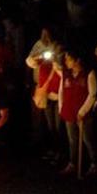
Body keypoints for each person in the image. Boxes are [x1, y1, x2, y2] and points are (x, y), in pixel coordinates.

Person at [58, 51, 97, 177]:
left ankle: (94, 163)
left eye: (69, 59)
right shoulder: (66, 73)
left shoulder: (88, 73)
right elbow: (61, 91)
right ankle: (73, 163)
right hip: (69, 110)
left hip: (83, 112)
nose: (66, 62)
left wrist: (83, 111)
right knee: (72, 139)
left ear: (77, 60)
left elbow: (92, 94)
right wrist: (61, 107)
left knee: (87, 139)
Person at [26, 28, 63, 161]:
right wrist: (38, 57)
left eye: (48, 32)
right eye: (43, 33)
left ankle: (60, 152)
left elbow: (62, 69)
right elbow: (29, 62)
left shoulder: (59, 47)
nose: (46, 35)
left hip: (57, 92)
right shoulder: (39, 45)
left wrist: (54, 61)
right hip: (46, 91)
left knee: (58, 126)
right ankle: (52, 150)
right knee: (50, 125)